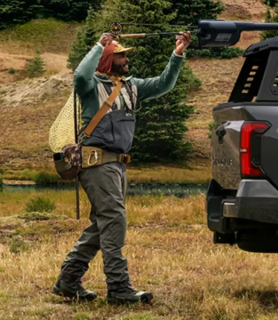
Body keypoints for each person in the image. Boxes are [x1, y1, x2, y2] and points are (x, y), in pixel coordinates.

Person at [52, 31, 191, 305]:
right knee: (114, 221)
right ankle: (118, 287)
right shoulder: (91, 86)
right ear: (107, 59)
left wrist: (178, 53)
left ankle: (68, 281)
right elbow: (79, 75)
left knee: (102, 224)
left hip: (117, 167)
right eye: (121, 54)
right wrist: (98, 46)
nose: (127, 59)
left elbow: (164, 84)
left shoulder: (131, 85)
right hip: (98, 165)